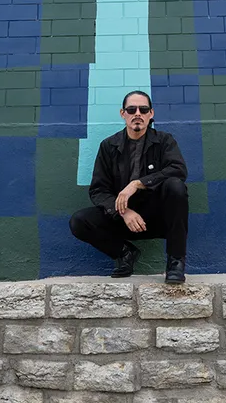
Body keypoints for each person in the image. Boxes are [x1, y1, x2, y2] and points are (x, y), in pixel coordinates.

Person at [69, 90, 189, 284]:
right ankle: (125, 253)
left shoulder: (165, 141)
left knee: (176, 187)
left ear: (151, 114)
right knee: (79, 221)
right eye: (131, 109)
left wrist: (137, 183)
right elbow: (98, 190)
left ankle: (175, 262)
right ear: (122, 113)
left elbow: (178, 170)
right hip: (123, 219)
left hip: (158, 217)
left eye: (143, 109)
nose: (137, 114)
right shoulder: (109, 146)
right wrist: (124, 212)